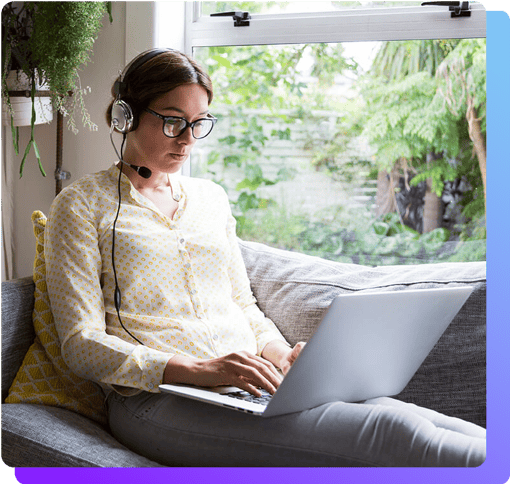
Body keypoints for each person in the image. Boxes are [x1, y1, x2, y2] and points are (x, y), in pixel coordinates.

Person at [45, 48, 486, 467]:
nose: (187, 141)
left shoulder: (211, 198)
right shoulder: (82, 204)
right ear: (126, 115)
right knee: (393, 433)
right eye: (173, 122)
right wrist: (199, 370)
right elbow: (80, 345)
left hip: (249, 386)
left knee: (422, 419)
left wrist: (281, 355)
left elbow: (242, 304)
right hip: (157, 400)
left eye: (199, 124)